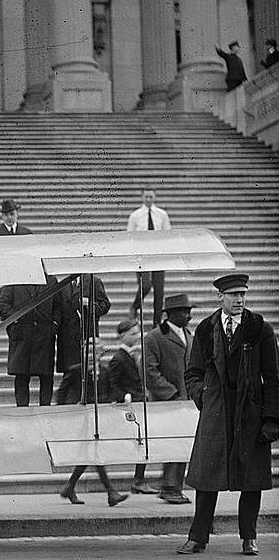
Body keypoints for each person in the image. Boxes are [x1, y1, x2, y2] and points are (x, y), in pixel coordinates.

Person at [177, 274, 279, 557]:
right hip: (217, 411)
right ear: (220, 297)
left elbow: (273, 378)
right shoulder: (206, 329)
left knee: (251, 480)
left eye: (242, 294)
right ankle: (198, 538)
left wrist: (271, 419)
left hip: (250, 413)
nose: (239, 300)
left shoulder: (260, 329)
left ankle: (249, 537)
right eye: (233, 295)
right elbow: (193, 372)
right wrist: (204, 396)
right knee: (207, 477)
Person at [58, 340, 129, 507]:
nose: (91, 356)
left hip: (99, 418)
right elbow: (63, 392)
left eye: (95, 352)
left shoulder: (104, 371)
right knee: (95, 453)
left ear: (100, 354)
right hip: (81, 418)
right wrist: (64, 412)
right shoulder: (76, 371)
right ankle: (111, 492)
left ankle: (70, 486)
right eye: (88, 352)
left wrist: (122, 397)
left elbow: (110, 390)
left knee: (91, 453)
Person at [144, 293, 195, 504]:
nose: (189, 316)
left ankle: (175, 487)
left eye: (189, 311)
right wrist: (171, 394)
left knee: (182, 445)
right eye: (185, 311)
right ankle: (169, 487)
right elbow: (148, 372)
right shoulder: (155, 337)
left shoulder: (188, 335)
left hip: (187, 401)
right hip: (168, 403)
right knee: (173, 444)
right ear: (171, 314)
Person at [107, 317, 158, 494]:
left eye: (137, 333)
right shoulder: (118, 358)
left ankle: (139, 480)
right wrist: (124, 396)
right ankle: (138, 480)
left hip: (140, 402)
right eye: (132, 333)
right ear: (122, 336)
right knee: (141, 442)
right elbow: (111, 384)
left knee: (144, 442)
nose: (137, 336)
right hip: (130, 406)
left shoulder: (133, 355)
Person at [0, 277, 61, 407]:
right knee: (21, 376)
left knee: (46, 377)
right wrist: (15, 319)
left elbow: (58, 306)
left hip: (44, 335)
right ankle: (22, 410)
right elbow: (3, 304)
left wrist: (54, 324)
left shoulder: (51, 281)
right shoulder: (14, 280)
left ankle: (45, 409)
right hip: (22, 335)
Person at [55, 274, 110, 405]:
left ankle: (89, 401)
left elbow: (105, 305)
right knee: (70, 374)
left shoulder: (93, 281)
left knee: (89, 372)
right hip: (68, 339)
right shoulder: (63, 284)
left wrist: (90, 305)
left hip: (87, 336)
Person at [127, 188, 170, 327]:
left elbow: (168, 234)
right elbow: (130, 236)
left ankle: (156, 322)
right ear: (142, 197)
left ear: (155, 197)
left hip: (157, 255)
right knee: (145, 285)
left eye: (151, 197)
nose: (149, 199)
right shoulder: (135, 216)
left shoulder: (162, 215)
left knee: (159, 290)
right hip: (142, 255)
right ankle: (135, 306)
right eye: (146, 197)